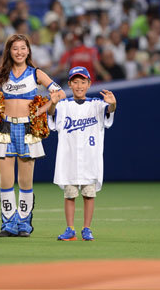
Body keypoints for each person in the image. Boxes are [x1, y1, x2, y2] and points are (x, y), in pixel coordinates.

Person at [0, 34, 66, 237]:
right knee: (6, 181)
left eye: (23, 48)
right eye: (15, 49)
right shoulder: (2, 73)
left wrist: (44, 109)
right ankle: (8, 225)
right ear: (9, 51)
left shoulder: (36, 73)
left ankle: (24, 224)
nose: (20, 52)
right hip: (4, 129)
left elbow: (59, 92)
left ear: (28, 50)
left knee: (25, 182)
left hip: (28, 130)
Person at [48, 66, 116, 241]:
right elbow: (52, 117)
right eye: (75, 82)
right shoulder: (63, 105)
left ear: (89, 83)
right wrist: (53, 103)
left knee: (88, 194)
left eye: (83, 82)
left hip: (89, 158)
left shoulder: (97, 104)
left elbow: (109, 111)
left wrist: (113, 103)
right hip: (69, 158)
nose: (79, 86)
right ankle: (70, 229)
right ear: (69, 84)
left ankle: (87, 228)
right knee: (69, 194)